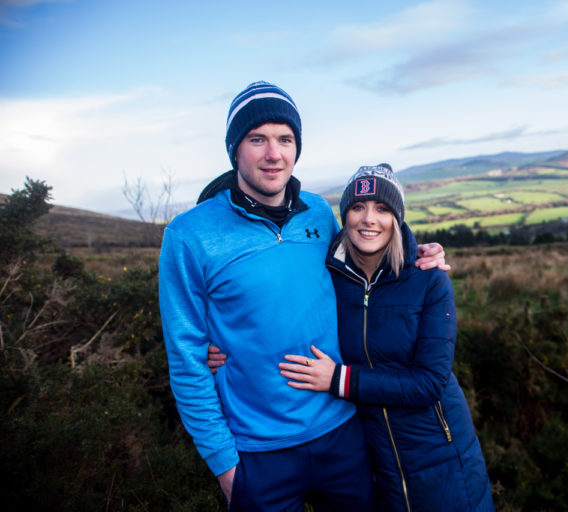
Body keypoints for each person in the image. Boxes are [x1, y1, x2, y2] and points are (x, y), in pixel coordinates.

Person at [159, 81, 446, 511]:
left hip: (343, 433)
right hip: (256, 453)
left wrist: (421, 254)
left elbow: (364, 259)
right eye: (258, 139)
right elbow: (185, 359)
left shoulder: (317, 211)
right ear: (235, 148)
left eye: (285, 139)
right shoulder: (188, 236)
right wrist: (225, 467)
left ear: (297, 148)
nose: (273, 153)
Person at [210, 164, 495, 511]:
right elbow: (274, 303)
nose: (369, 219)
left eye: (383, 209)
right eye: (358, 207)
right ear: (344, 217)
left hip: (438, 452)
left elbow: (429, 384)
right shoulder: (332, 279)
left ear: (397, 219)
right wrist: (220, 344)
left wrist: (338, 379)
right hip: (375, 457)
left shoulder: (429, 282)